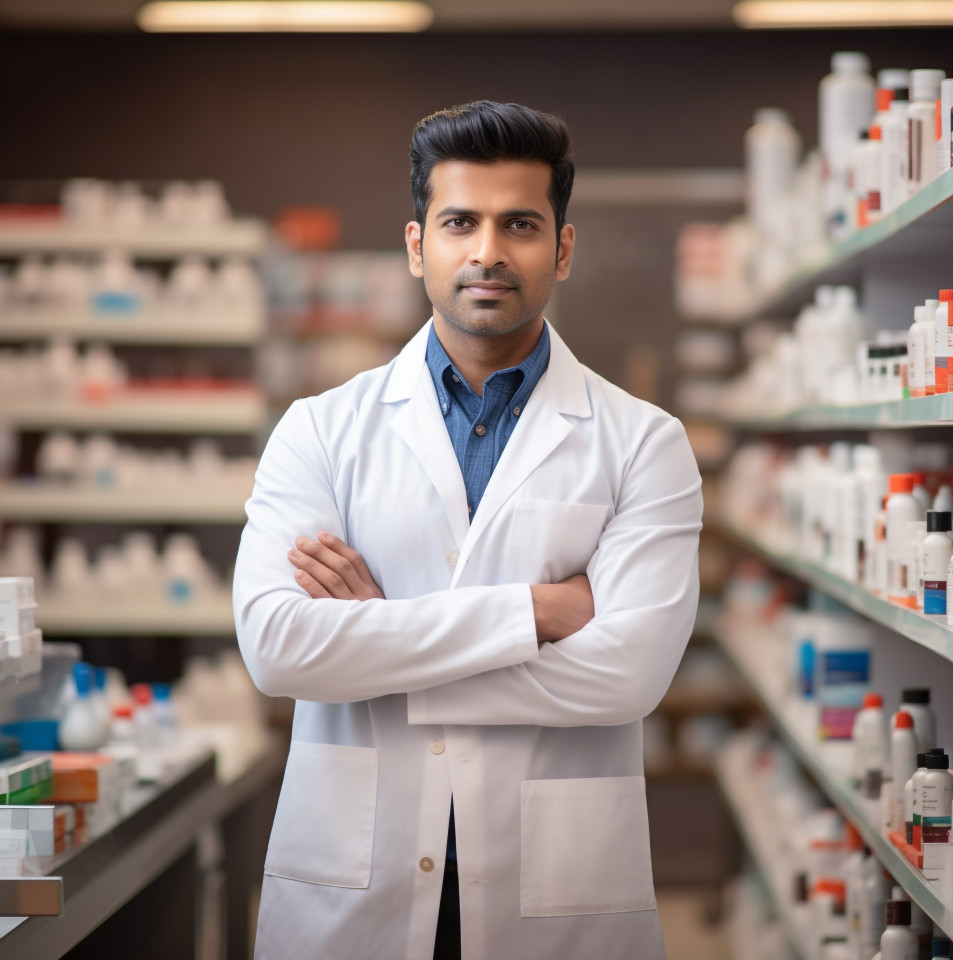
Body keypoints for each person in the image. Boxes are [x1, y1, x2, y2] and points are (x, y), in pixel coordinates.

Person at [233, 100, 702, 960]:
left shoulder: (643, 442)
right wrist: (540, 611)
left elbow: (629, 675)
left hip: (555, 889)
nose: (488, 251)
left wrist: (373, 649)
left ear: (561, 248)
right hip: (354, 886)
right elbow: (277, 649)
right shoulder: (320, 430)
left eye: (520, 223)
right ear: (418, 246)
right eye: (460, 222)